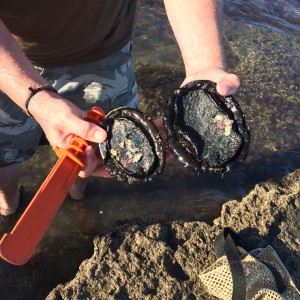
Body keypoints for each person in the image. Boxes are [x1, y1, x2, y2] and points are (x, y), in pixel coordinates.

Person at [0, 0, 240, 216]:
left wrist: (204, 64)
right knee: (5, 154)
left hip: (103, 50)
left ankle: (77, 196)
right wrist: (34, 97)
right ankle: (9, 204)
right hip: (9, 62)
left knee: (93, 152)